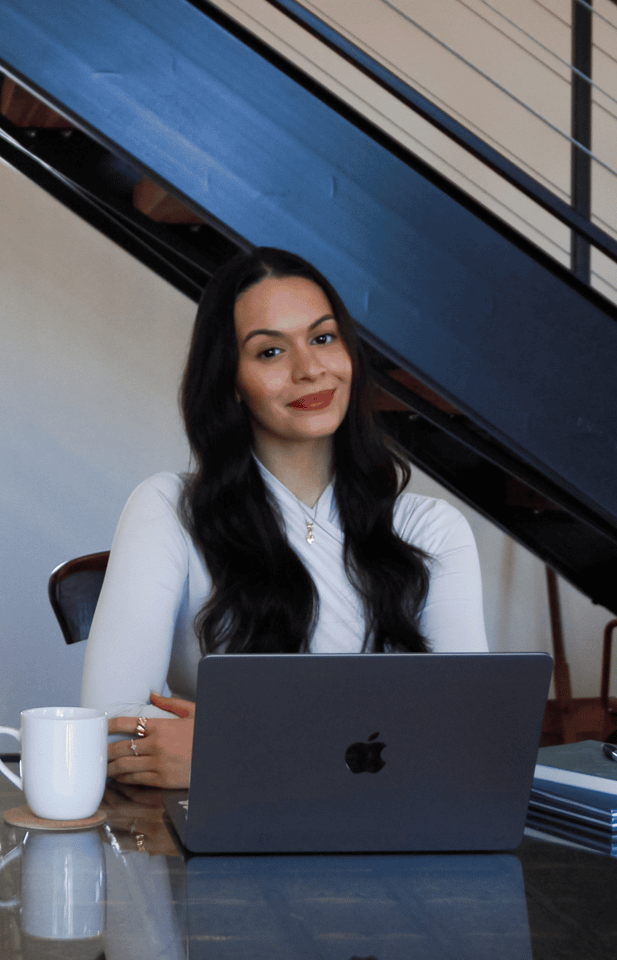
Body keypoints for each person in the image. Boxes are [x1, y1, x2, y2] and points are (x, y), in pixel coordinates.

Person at [83, 246, 487, 789]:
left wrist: (231, 750)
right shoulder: (167, 510)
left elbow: (465, 734)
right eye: (270, 352)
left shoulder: (433, 529)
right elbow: (113, 727)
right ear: (231, 380)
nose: (309, 369)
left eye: (323, 338)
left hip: (389, 845)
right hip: (226, 850)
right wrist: (357, 750)